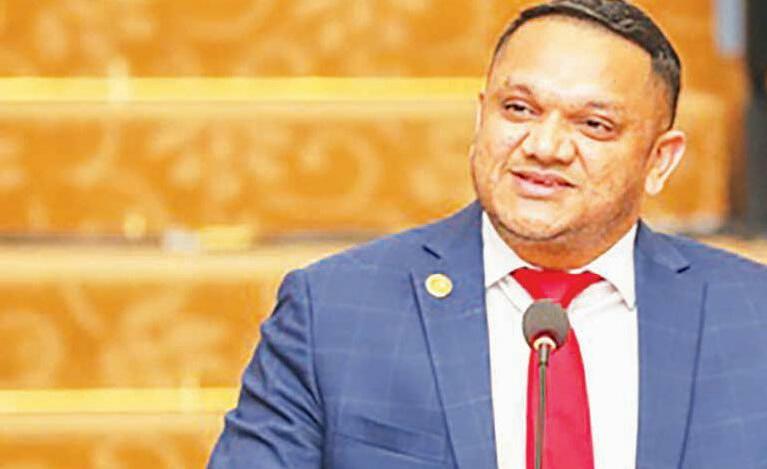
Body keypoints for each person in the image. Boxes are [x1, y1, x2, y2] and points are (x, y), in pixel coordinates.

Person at [209, 1, 767, 468]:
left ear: (660, 160)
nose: (544, 147)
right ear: (481, 120)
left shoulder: (751, 316)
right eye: (519, 109)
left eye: (594, 124)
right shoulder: (334, 311)